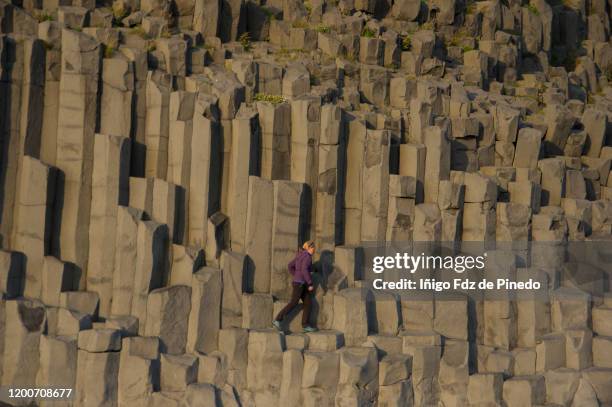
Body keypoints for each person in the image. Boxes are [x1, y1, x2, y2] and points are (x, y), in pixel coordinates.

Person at [273, 240, 318, 333]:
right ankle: (278, 320)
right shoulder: (308, 257)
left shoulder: (300, 255)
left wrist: (296, 275)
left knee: (308, 302)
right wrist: (309, 283)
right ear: (309, 247)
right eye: (313, 248)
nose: (314, 250)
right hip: (301, 284)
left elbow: (290, 266)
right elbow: (304, 269)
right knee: (294, 302)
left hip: (298, 282)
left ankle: (305, 325)